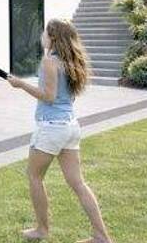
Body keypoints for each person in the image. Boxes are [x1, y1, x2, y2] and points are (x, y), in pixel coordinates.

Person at [6, 18, 113, 243]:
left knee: (34, 176)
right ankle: (101, 237)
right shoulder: (70, 62)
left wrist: (20, 84)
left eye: (45, 32)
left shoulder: (50, 61)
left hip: (51, 128)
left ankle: (41, 230)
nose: (42, 35)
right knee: (78, 183)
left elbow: (49, 97)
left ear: (52, 37)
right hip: (70, 127)